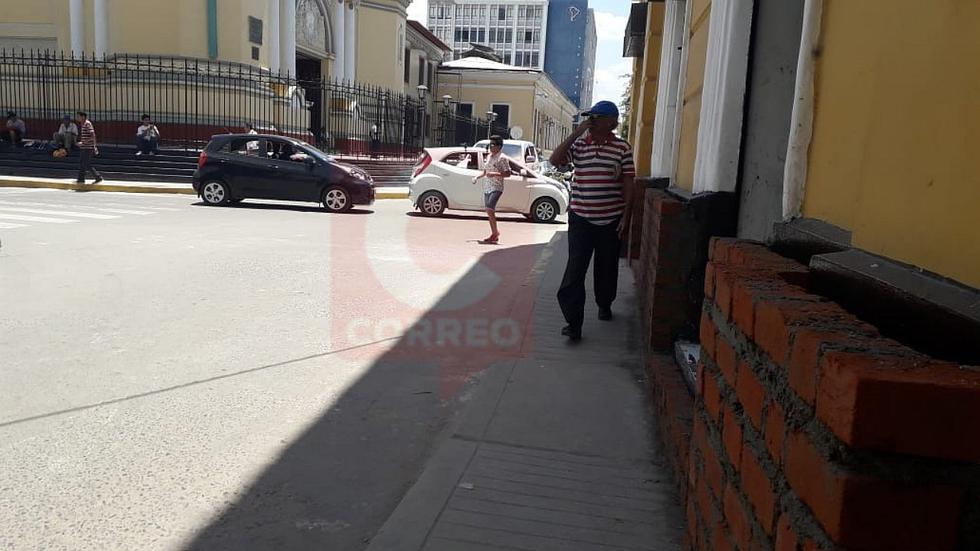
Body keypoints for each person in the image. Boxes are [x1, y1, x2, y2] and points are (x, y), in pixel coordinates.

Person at [549, 100, 636, 342]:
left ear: (611, 122)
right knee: (574, 271)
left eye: (596, 117)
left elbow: (629, 183)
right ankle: (573, 323)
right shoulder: (579, 145)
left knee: (606, 268)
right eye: (590, 117)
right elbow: (555, 160)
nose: (592, 121)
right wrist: (576, 131)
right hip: (581, 218)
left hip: (611, 219)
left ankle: (604, 303)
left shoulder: (622, 148)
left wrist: (626, 217)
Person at [472, 135, 511, 244]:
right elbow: (485, 172)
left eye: (493, 145)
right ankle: (494, 234)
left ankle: (495, 233)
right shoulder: (489, 156)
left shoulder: (502, 158)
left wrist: (495, 174)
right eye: (490, 144)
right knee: (489, 211)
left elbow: (508, 173)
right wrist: (477, 177)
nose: (490, 147)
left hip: (497, 187)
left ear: (499, 146)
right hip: (487, 186)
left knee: (490, 208)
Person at [75, 111, 103, 184]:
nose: (77, 118)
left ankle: (97, 177)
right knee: (83, 163)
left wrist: (84, 143)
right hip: (84, 147)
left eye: (78, 116)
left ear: (83, 117)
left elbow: (93, 135)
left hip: (88, 148)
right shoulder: (83, 124)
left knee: (86, 163)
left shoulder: (87, 124)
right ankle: (81, 179)